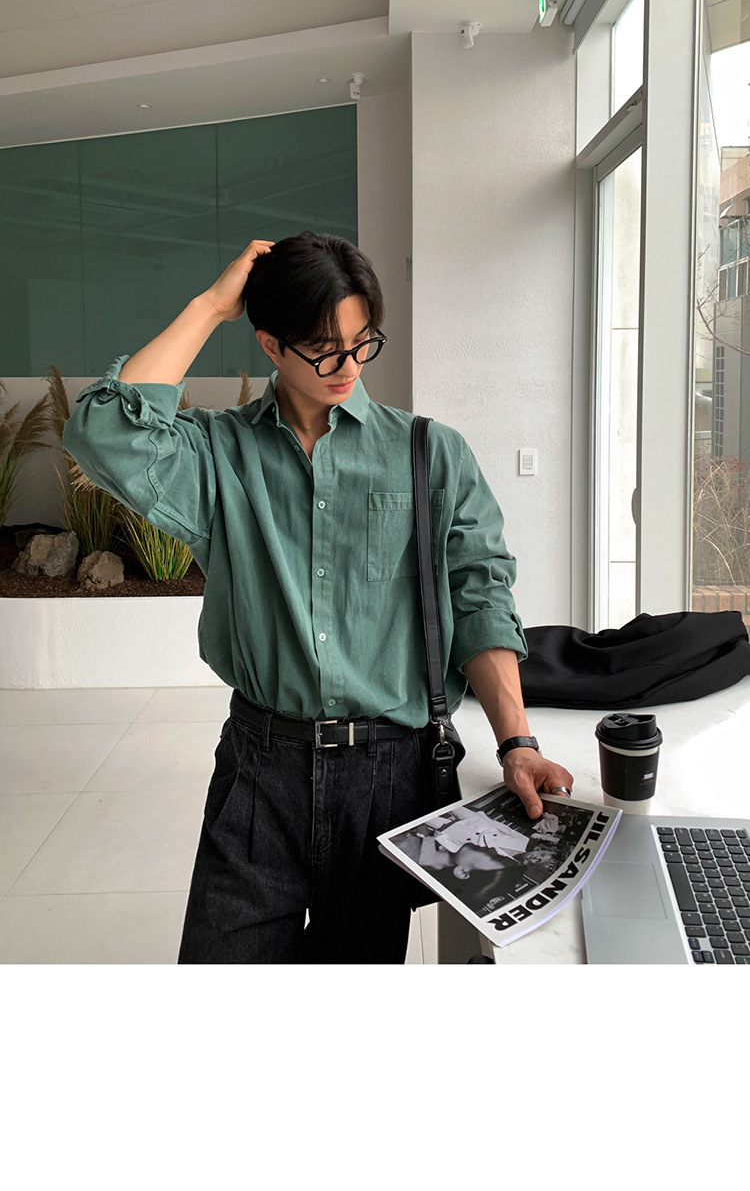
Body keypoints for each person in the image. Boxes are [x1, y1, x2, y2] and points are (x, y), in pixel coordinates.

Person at [62, 232, 575, 964]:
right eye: (325, 350)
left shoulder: (431, 453)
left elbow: (481, 602)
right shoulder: (218, 454)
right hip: (259, 768)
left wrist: (517, 744)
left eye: (363, 343)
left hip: (388, 775)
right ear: (271, 346)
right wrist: (210, 306)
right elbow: (102, 430)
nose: (349, 367)